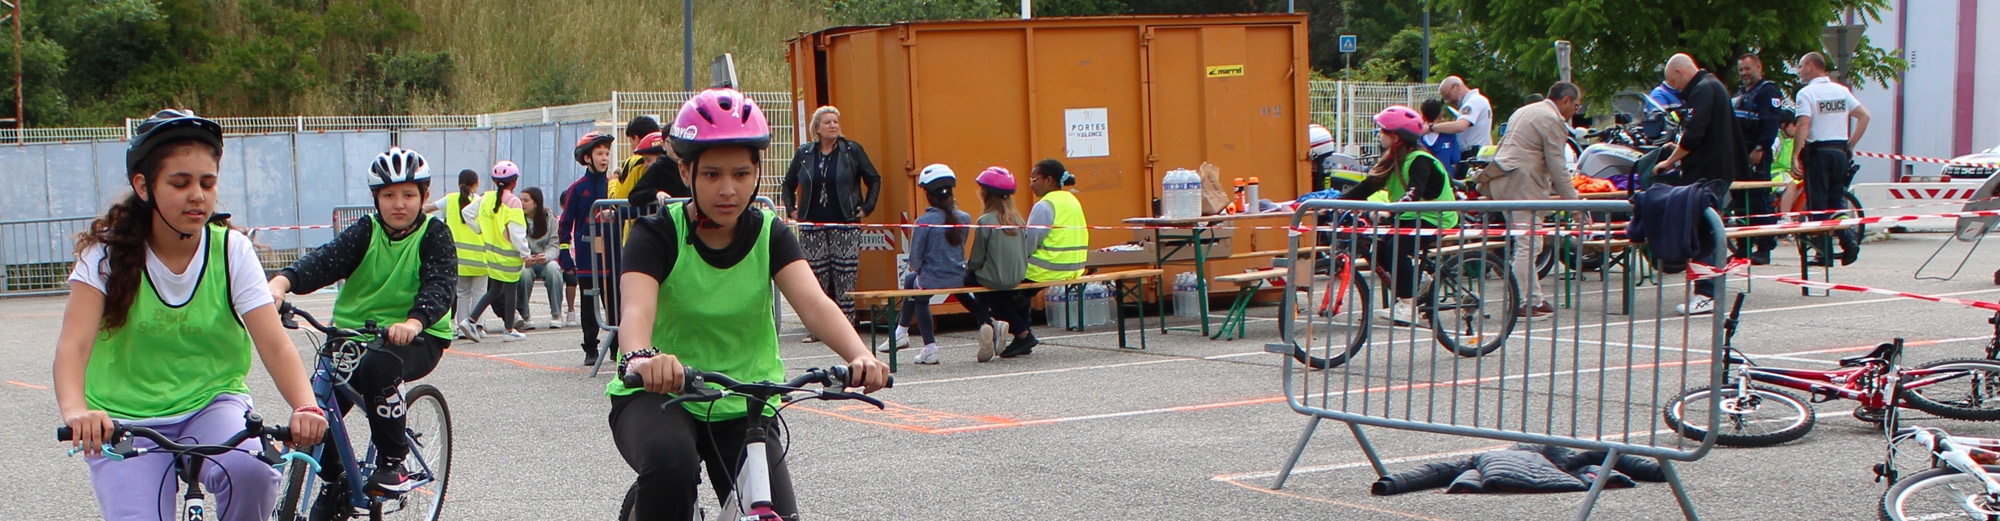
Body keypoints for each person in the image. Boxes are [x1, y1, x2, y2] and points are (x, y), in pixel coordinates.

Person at [609, 85, 891, 521]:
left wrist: (859, 355)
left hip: (746, 402)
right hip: (661, 394)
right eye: (711, 174)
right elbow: (636, 311)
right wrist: (643, 357)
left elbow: (814, 302)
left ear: (758, 171)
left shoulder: (769, 232)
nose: (728, 189)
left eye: (741, 174)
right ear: (685, 172)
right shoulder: (658, 234)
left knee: (772, 510)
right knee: (672, 465)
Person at [54, 109, 327, 521]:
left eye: (207, 182)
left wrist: (305, 407)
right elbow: (72, 347)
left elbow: (274, 345)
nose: (197, 195)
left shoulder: (231, 251)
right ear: (143, 186)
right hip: (125, 419)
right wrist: (77, 413)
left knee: (253, 472)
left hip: (210, 405)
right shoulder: (105, 255)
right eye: (179, 183)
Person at [268, 147, 455, 501]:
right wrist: (283, 282)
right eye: (388, 195)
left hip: (416, 337)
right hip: (353, 334)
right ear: (376, 198)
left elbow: (439, 284)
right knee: (315, 402)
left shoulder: (434, 234)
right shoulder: (365, 231)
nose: (398, 203)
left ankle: (394, 461)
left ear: (424, 197)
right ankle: (337, 482)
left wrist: (415, 322)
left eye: (408, 195)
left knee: (379, 367)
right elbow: (325, 261)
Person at [1652, 53, 1752, 315]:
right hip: (1715, 169)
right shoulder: (1713, 85)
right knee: (1706, 228)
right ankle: (1707, 290)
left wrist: (1670, 160)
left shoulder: (1703, 90)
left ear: (1683, 72)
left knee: (1703, 231)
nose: (1678, 89)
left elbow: (1695, 133)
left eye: (1676, 83)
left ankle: (1706, 293)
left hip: (1708, 172)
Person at [1476, 82, 1585, 318]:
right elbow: (1557, 165)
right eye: (1576, 105)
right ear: (1565, 100)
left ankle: (1534, 299)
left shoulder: (1525, 110)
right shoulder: (1553, 120)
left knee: (1526, 244)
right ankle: (1522, 302)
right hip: (1522, 185)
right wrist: (1576, 205)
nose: (1575, 110)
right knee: (1529, 245)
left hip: (1501, 179)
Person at [1342, 106, 1460, 325]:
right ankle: (1419, 280)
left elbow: (1414, 192)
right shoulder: (1392, 159)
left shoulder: (1420, 160)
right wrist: (1332, 204)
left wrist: (1390, 209)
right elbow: (1368, 186)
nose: (1379, 135)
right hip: (1409, 216)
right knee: (1377, 245)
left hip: (1436, 217)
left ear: (1396, 136)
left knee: (1396, 246)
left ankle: (1408, 306)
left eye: (1382, 131)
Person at [780, 105, 882, 340]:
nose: (833, 125)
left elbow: (874, 179)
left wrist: (866, 208)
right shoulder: (805, 153)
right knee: (816, 277)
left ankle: (845, 329)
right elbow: (788, 182)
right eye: (827, 122)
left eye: (835, 121)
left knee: (844, 277)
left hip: (844, 223)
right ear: (817, 128)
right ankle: (818, 329)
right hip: (812, 225)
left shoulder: (852, 151)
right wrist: (792, 208)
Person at [875, 164, 975, 365]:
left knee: (916, 288)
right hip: (958, 275)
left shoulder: (924, 221)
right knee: (913, 280)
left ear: (928, 196)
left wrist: (922, 269)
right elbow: (959, 246)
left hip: (932, 278)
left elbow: (914, 261)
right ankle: (901, 332)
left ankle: (929, 346)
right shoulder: (964, 218)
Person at [1790, 51, 1871, 267]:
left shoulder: (1807, 93)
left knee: (1817, 205)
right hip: (1839, 153)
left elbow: (1804, 125)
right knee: (1836, 203)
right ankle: (1848, 241)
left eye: (1800, 66)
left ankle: (1822, 252)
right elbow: (1864, 116)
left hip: (1818, 153)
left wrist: (1796, 155)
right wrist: (1850, 145)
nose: (1799, 71)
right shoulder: (1841, 91)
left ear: (1811, 66)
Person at [1010, 159, 1090, 358]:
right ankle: (1022, 335)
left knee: (1004, 290)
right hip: (1074, 266)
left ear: (1049, 180)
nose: (1031, 184)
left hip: (1049, 267)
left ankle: (1023, 334)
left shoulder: (1044, 205)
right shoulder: (1072, 200)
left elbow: (1030, 242)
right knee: (1020, 292)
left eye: (1034, 179)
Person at [561, 131, 618, 365]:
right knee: (589, 304)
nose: (605, 158)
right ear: (587, 158)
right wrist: (566, 258)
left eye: (607, 153)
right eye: (599, 153)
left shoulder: (613, 186)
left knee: (614, 303)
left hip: (612, 257)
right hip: (586, 259)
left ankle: (617, 347)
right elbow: (565, 225)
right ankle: (591, 348)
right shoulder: (577, 189)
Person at [964, 166, 1031, 362]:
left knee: (967, 281)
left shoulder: (986, 221)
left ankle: (987, 323)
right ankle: (1002, 329)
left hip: (994, 279)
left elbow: (977, 259)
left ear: (985, 194)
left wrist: (967, 269)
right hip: (1017, 276)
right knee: (995, 292)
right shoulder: (1019, 220)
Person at [467, 161, 530, 342]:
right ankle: (509, 329)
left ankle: (470, 319)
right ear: (514, 182)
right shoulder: (513, 202)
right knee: (510, 292)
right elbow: (517, 232)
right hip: (510, 257)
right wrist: (525, 254)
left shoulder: (485, 197)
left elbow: (467, 213)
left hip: (492, 255)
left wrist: (479, 229)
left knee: (495, 290)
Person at [1733, 52, 1787, 265]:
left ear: (1759, 68)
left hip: (1756, 153)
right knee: (1740, 201)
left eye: (1748, 68)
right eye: (1741, 70)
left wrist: (1760, 148)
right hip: (1739, 153)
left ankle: (1764, 248)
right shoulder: (1741, 93)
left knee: (1758, 200)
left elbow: (1770, 123)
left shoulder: (1768, 91)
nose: (1744, 73)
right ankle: (1743, 248)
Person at [424, 169, 487, 341]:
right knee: (479, 293)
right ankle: (477, 326)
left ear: (459, 183)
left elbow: (428, 209)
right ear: (476, 183)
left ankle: (461, 328)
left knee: (462, 294)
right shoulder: (480, 201)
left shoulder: (450, 199)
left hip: (458, 257)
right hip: (480, 256)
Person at [517, 187, 566, 330]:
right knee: (523, 274)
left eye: (526, 200)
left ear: (536, 202)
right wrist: (526, 257)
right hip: (526, 260)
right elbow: (515, 242)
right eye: (521, 200)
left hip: (545, 259)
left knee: (554, 270)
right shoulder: (517, 218)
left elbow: (554, 244)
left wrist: (546, 256)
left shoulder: (549, 218)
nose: (522, 203)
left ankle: (556, 314)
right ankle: (525, 316)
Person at [1431, 76, 1495, 167]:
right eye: (1445, 98)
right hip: (1475, 155)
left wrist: (1431, 127)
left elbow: (1460, 126)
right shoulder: (1475, 101)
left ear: (1457, 86)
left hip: (1473, 156)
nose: (1449, 100)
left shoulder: (1473, 101)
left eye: (1448, 96)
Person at [624, 131, 691, 205]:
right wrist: (656, 194)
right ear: (664, 144)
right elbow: (634, 196)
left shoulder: (693, 165)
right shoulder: (658, 168)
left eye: (679, 142)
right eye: (671, 142)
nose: (676, 147)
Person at [611, 115, 662, 199]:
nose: (646, 164)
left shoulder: (633, 163)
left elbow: (619, 200)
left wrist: (612, 183)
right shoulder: (672, 160)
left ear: (636, 138)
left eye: (630, 140)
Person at [1418, 99, 1463, 178]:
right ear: (1440, 115)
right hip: (1446, 178)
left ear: (1422, 116)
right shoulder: (1449, 134)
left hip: (1423, 179)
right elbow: (1455, 158)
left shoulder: (1417, 137)